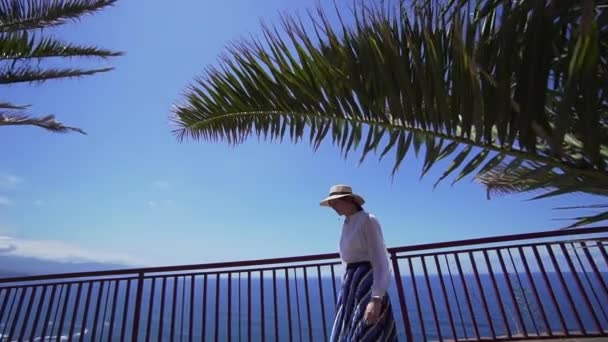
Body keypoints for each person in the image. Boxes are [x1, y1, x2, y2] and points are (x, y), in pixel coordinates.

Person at [320, 184, 398, 341]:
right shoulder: (347, 223)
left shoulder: (367, 220)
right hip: (352, 285)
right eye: (332, 204)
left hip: (367, 282)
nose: (333, 207)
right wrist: (345, 286)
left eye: (335, 202)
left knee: (367, 330)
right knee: (348, 330)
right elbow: (346, 259)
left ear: (349, 200)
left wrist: (376, 299)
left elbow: (380, 258)